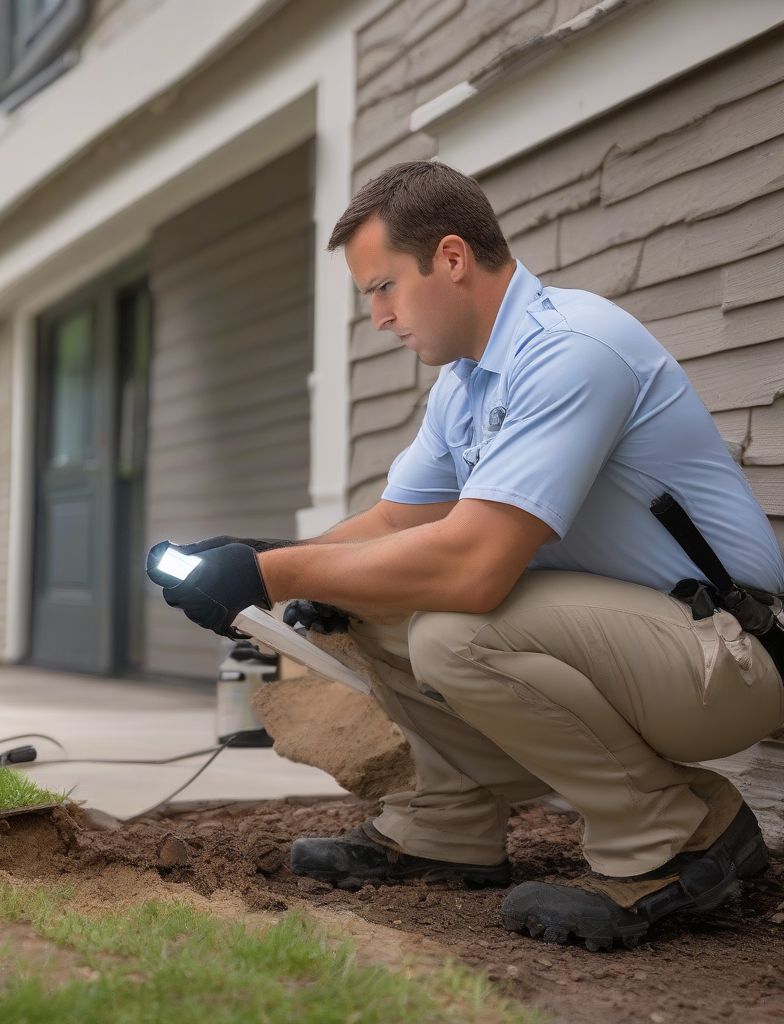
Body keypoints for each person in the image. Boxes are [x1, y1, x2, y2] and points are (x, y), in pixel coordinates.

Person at [146, 161, 784, 950]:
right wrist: (254, 557)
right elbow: (391, 526)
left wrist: (276, 573)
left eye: (383, 288)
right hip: (636, 646)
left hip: (723, 654)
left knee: (455, 627)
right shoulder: (466, 384)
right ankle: (445, 824)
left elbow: (475, 568)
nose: (377, 317)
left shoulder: (571, 349)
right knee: (362, 603)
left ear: (451, 259)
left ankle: (679, 835)